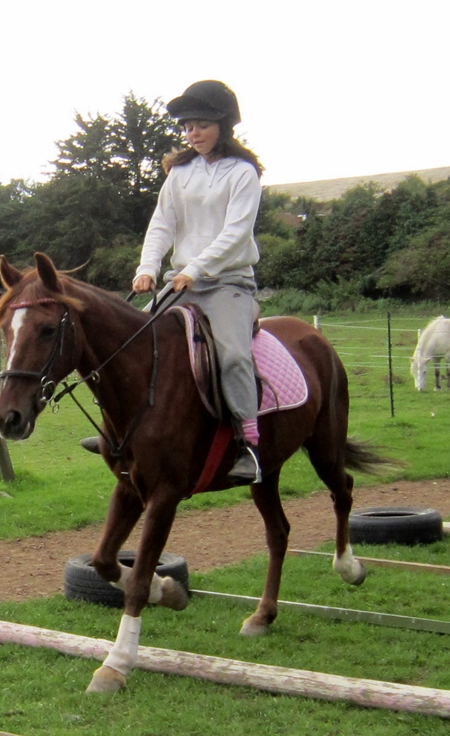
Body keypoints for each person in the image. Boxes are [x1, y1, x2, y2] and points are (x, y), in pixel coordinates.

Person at [132, 79, 264, 485]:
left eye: (202, 125)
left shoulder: (243, 173)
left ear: (224, 125)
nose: (193, 133)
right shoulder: (180, 173)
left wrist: (195, 269)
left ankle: (248, 443)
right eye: (188, 127)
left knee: (233, 356)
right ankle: (127, 430)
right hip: (180, 283)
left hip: (227, 283)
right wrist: (147, 267)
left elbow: (236, 233)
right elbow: (162, 224)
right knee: (132, 342)